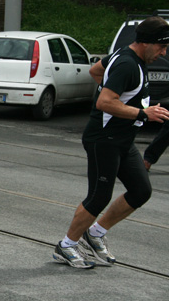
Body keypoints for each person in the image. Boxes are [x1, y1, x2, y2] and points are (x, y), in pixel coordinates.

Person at [52, 16, 169, 269]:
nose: (164, 53)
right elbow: (104, 102)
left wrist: (129, 102)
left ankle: (94, 233)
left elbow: (96, 70)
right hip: (103, 139)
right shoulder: (127, 63)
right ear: (147, 43)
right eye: (161, 47)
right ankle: (67, 245)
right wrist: (141, 113)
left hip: (123, 140)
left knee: (141, 191)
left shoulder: (126, 56)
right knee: (98, 197)